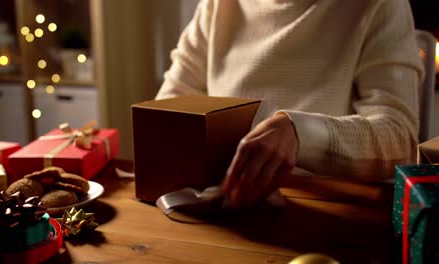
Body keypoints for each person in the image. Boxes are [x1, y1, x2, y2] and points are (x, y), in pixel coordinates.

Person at [155, 0, 424, 207]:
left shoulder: (379, 4)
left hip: (331, 218)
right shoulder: (218, 5)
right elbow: (165, 112)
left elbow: (399, 139)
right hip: (227, 212)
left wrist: (301, 134)